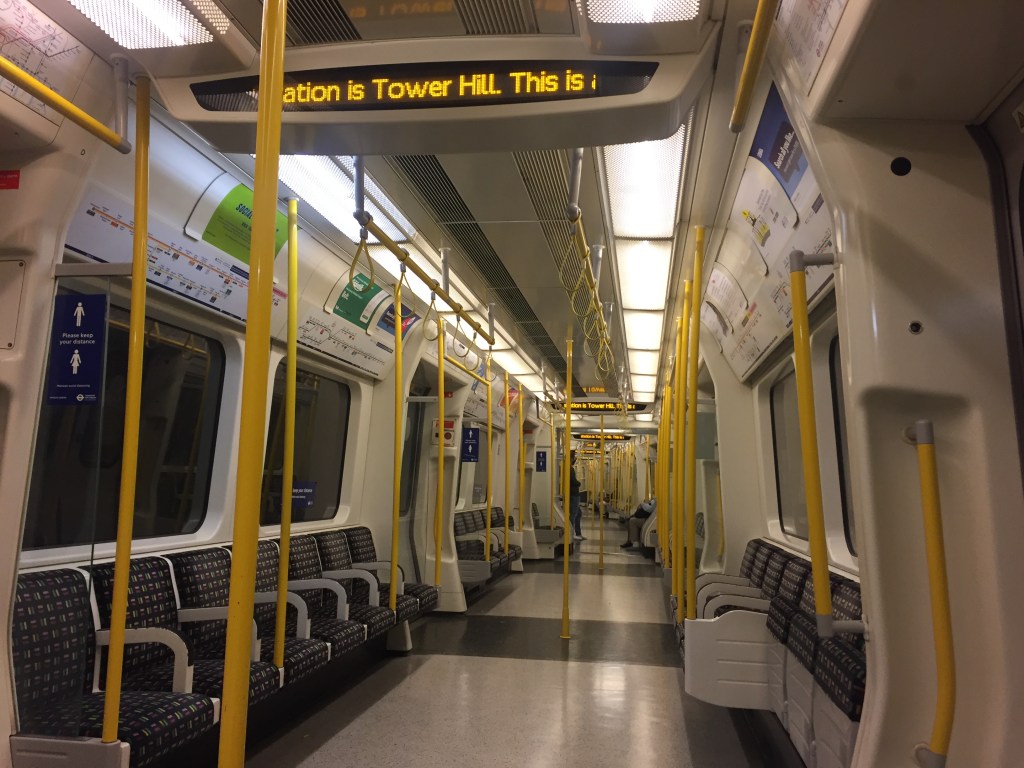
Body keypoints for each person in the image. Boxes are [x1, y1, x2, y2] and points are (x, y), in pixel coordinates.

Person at [569, 450, 583, 541]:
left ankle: (578, 533)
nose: (575, 459)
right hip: (574, 494)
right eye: (574, 457)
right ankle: (571, 533)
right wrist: (579, 483)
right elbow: (573, 481)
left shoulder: (570, 468)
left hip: (574, 494)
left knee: (578, 513)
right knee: (574, 514)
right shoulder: (570, 469)